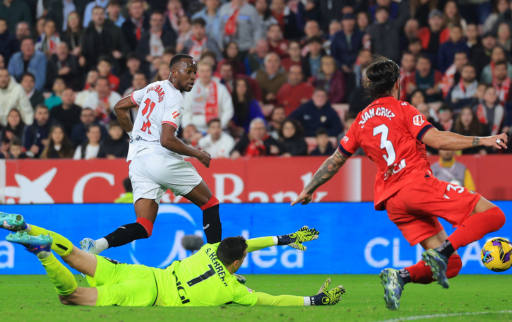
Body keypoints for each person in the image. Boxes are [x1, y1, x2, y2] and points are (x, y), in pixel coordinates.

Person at [292, 58, 508, 311]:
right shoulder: (403, 109)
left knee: (451, 266)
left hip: (393, 202)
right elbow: (437, 139)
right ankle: (444, 249)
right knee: (495, 215)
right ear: (397, 83)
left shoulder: (360, 121)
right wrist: (483, 140)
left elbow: (336, 159)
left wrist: (310, 188)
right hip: (416, 185)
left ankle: (401, 276)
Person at [1, 214, 344, 307]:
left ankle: (26, 226)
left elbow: (247, 244)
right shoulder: (235, 292)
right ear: (237, 266)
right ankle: (42, 250)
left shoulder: (209, 249)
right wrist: (312, 300)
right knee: (70, 296)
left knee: (77, 255)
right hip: (144, 295)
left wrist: (286, 238)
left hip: (144, 273)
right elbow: (273, 299)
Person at [80, 55, 226, 262]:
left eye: (195, 73)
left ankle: (98, 245)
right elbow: (166, 140)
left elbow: (120, 107)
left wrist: (134, 136)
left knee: (144, 225)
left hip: (137, 162)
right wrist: (198, 153)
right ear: (174, 73)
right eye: (189, 72)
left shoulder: (153, 87)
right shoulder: (176, 98)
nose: (194, 77)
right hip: (160, 158)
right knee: (210, 204)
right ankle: (217, 266)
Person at [182, 61, 234, 133]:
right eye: (202, 71)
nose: (205, 74)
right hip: (195, 129)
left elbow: (228, 110)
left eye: (207, 71)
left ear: (211, 72)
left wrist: (219, 127)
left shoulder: (221, 88)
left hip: (218, 129)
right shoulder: (190, 89)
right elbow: (185, 110)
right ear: (197, 73)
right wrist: (187, 125)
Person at [81, 6, 129, 71]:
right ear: (92, 16)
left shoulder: (115, 30)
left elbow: (125, 47)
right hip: (93, 67)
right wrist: (82, 57)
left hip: (113, 66)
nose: (99, 17)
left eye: (101, 14)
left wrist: (121, 54)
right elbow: (84, 50)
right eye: (96, 14)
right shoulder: (87, 32)